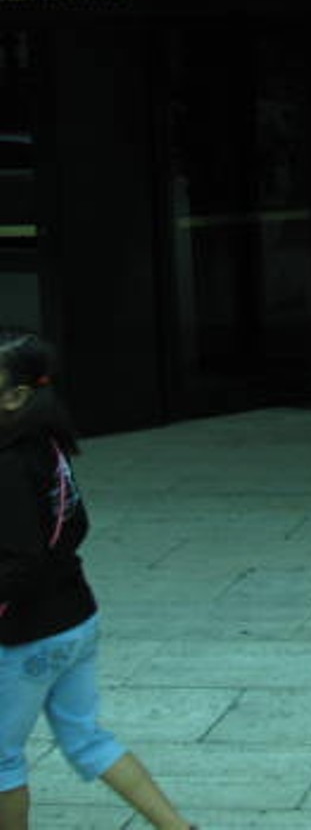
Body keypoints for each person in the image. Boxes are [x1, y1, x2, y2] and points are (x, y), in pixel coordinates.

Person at [0, 331, 198, 830]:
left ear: (15, 396)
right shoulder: (47, 445)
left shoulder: (8, 463)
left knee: (1, 762)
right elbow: (76, 525)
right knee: (86, 737)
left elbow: (21, 563)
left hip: (25, 637)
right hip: (75, 620)